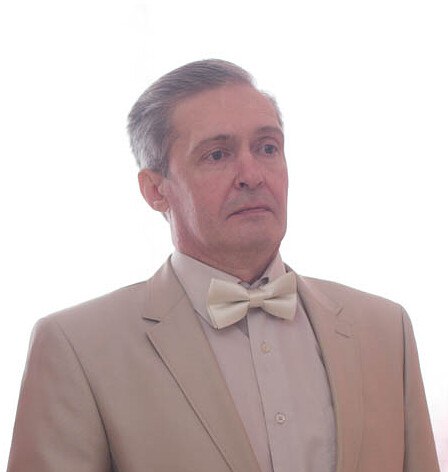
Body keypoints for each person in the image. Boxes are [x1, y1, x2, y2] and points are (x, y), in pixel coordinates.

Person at [7, 59, 440, 472]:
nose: (252, 174)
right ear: (155, 190)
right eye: (217, 154)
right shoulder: (77, 347)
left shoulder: (386, 330)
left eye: (267, 147)